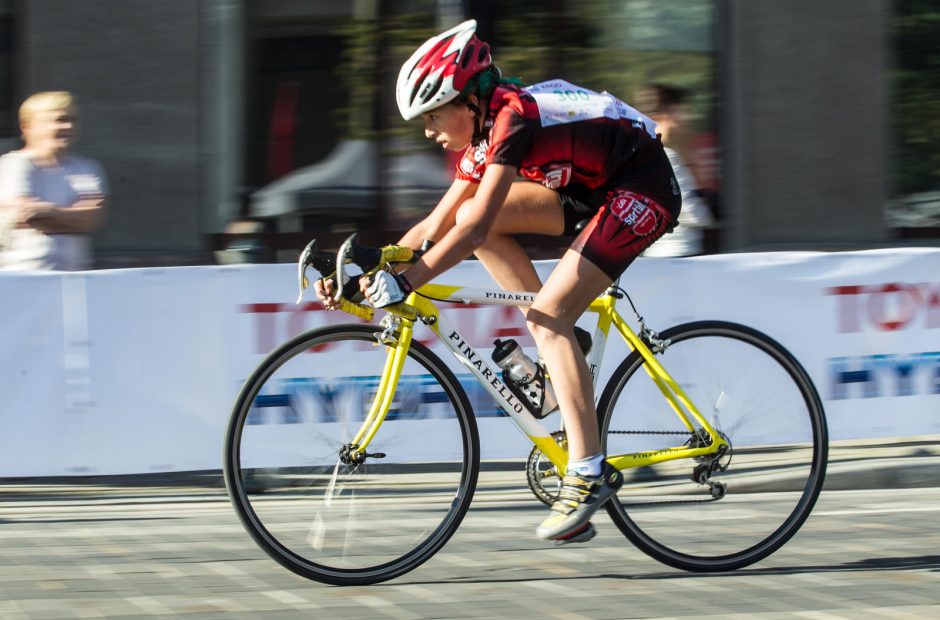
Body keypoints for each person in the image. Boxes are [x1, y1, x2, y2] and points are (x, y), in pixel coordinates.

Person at [316, 20, 681, 543]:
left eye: (432, 116)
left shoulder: (513, 118)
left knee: (545, 313)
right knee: (483, 239)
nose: (427, 130)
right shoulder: (482, 137)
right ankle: (564, 344)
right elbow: (433, 229)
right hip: (591, 188)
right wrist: (363, 277)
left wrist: (410, 280)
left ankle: (588, 471)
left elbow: (474, 227)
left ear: (467, 102)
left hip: (642, 187)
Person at [0, 91, 108, 271]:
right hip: (21, 275)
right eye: (59, 120)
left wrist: (48, 210)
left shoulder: (86, 167)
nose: (68, 126)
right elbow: (25, 214)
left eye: (73, 120)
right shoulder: (13, 165)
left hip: (73, 277)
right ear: (28, 127)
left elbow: (92, 220)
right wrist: (73, 218)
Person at [635, 83, 714, 257]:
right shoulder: (667, 157)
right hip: (679, 253)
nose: (685, 117)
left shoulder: (643, 154)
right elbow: (692, 212)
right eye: (681, 111)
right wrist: (708, 214)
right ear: (667, 114)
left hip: (657, 253)